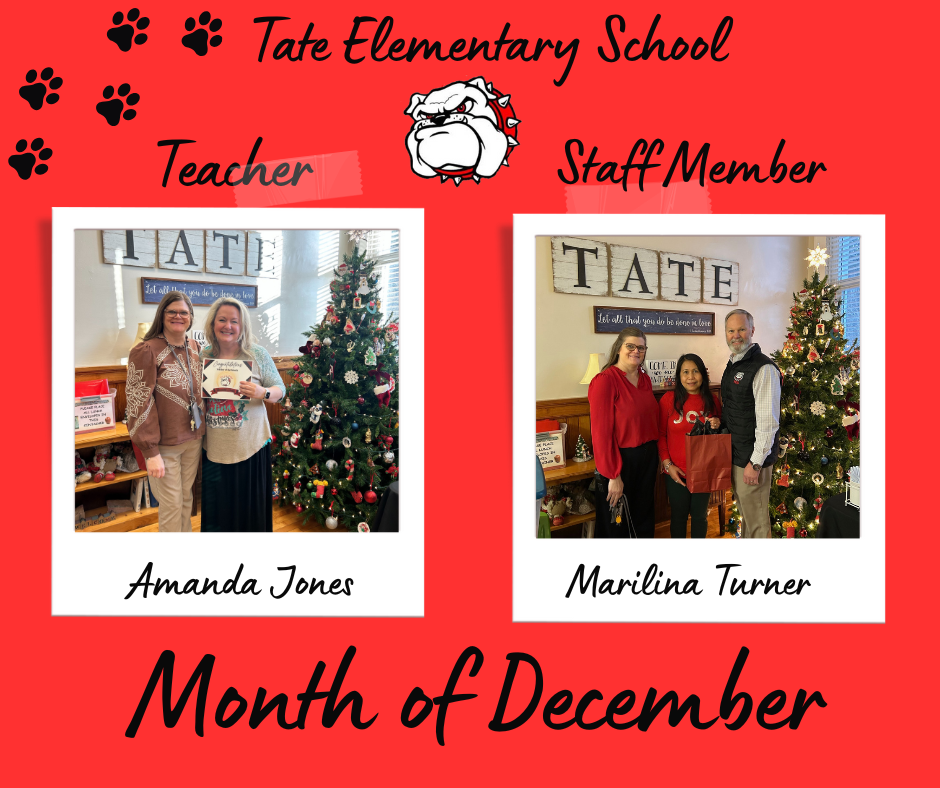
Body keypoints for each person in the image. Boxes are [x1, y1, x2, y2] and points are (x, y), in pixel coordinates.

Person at [200, 297, 285, 532]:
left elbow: (281, 390)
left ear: (243, 326)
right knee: (218, 513)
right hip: (215, 448)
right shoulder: (203, 355)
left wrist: (263, 392)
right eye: (222, 320)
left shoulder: (257, 354)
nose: (228, 326)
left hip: (250, 447)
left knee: (250, 514)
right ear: (213, 324)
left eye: (234, 321)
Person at [126, 291, 206, 532]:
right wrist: (150, 452)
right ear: (162, 315)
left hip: (193, 439)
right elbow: (137, 401)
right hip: (164, 446)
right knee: (171, 505)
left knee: (186, 500)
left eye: (184, 312)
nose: (178, 316)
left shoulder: (195, 347)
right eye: (172, 311)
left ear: (191, 317)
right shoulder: (146, 350)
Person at [588, 327, 659, 538]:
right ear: (619, 348)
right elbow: (601, 434)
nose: (636, 351)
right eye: (630, 346)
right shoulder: (605, 381)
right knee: (616, 523)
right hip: (621, 460)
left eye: (641, 347)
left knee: (643, 518)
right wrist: (613, 475)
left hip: (647, 458)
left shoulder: (644, 379)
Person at [720, 309, 781, 539]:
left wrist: (754, 464)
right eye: (731, 331)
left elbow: (768, 424)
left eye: (742, 329)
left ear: (752, 330)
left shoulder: (763, 369)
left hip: (753, 460)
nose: (736, 335)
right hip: (738, 454)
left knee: (756, 524)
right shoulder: (734, 363)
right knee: (747, 516)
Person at [658, 354, 722, 538]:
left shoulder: (713, 401)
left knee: (700, 517)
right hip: (676, 472)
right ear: (679, 376)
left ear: (703, 374)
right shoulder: (668, 400)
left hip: (703, 471)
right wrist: (668, 465)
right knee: (678, 517)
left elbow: (718, 435)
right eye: (685, 372)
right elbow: (661, 435)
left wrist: (717, 423)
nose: (691, 377)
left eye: (695, 371)